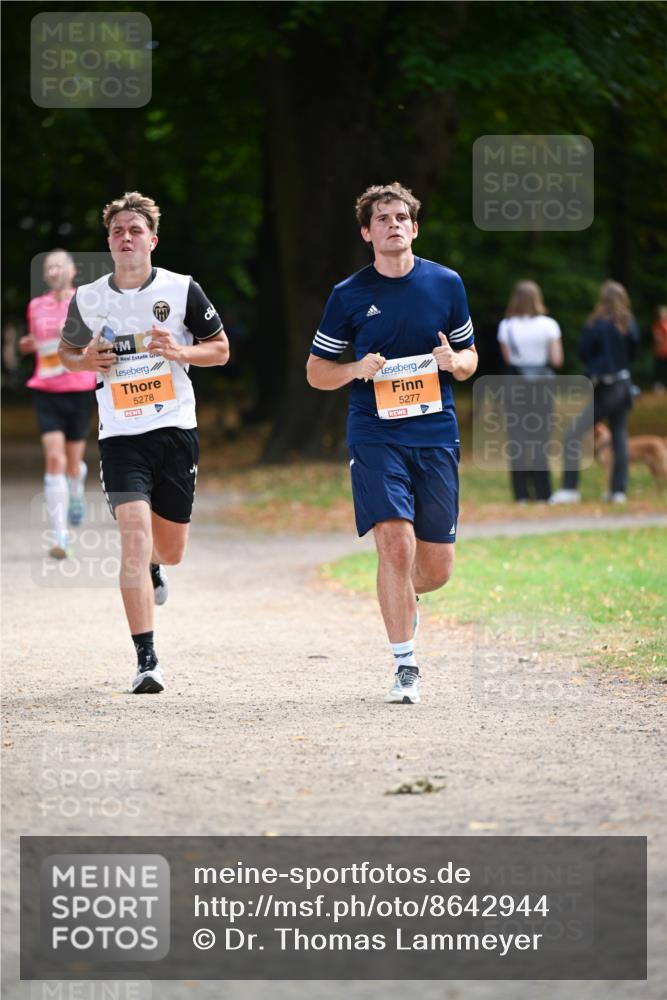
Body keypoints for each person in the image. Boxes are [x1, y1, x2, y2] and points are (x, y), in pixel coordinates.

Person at [306, 182, 477, 705]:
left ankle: (403, 595)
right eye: (382, 218)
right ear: (367, 232)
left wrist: (455, 364)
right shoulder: (349, 294)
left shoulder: (446, 284)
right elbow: (316, 373)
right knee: (394, 542)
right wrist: (355, 368)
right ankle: (405, 665)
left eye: (402, 217)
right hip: (375, 431)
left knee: (435, 569)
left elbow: (470, 361)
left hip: (434, 431)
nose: (394, 224)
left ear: (415, 227)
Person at [58, 192, 229, 693]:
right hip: (121, 435)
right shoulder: (88, 298)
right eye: (117, 231)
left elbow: (219, 351)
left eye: (135, 230)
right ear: (109, 241)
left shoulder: (181, 289)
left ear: (152, 239)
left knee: (169, 550)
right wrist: (88, 358)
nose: (126, 237)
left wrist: (179, 350)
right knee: (133, 536)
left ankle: (157, 566)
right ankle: (147, 659)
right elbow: (66, 355)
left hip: (175, 428)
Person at [19, 250, 97, 558]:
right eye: (48, 266)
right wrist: (28, 345)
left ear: (72, 270)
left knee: (73, 465)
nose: (53, 270)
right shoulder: (36, 306)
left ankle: (76, 490)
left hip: (79, 388)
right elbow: (36, 341)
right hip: (46, 389)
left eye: (58, 265)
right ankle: (60, 536)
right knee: (55, 461)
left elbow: (96, 337)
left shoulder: (85, 302)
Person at [550, 280, 639, 504]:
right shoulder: (628, 322)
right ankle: (618, 491)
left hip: (606, 387)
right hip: (624, 385)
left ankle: (570, 489)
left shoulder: (597, 323)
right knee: (619, 435)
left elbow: (583, 352)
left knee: (572, 434)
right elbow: (634, 352)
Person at [497, 280, 563, 502]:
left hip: (516, 385)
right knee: (540, 438)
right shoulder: (549, 325)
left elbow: (508, 359)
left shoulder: (506, 326)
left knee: (517, 439)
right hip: (542, 386)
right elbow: (556, 359)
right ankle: (544, 492)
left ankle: (521, 494)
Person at [651, 305, 667, 392]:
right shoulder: (657, 325)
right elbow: (657, 338)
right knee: (660, 369)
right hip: (660, 352)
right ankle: (658, 384)